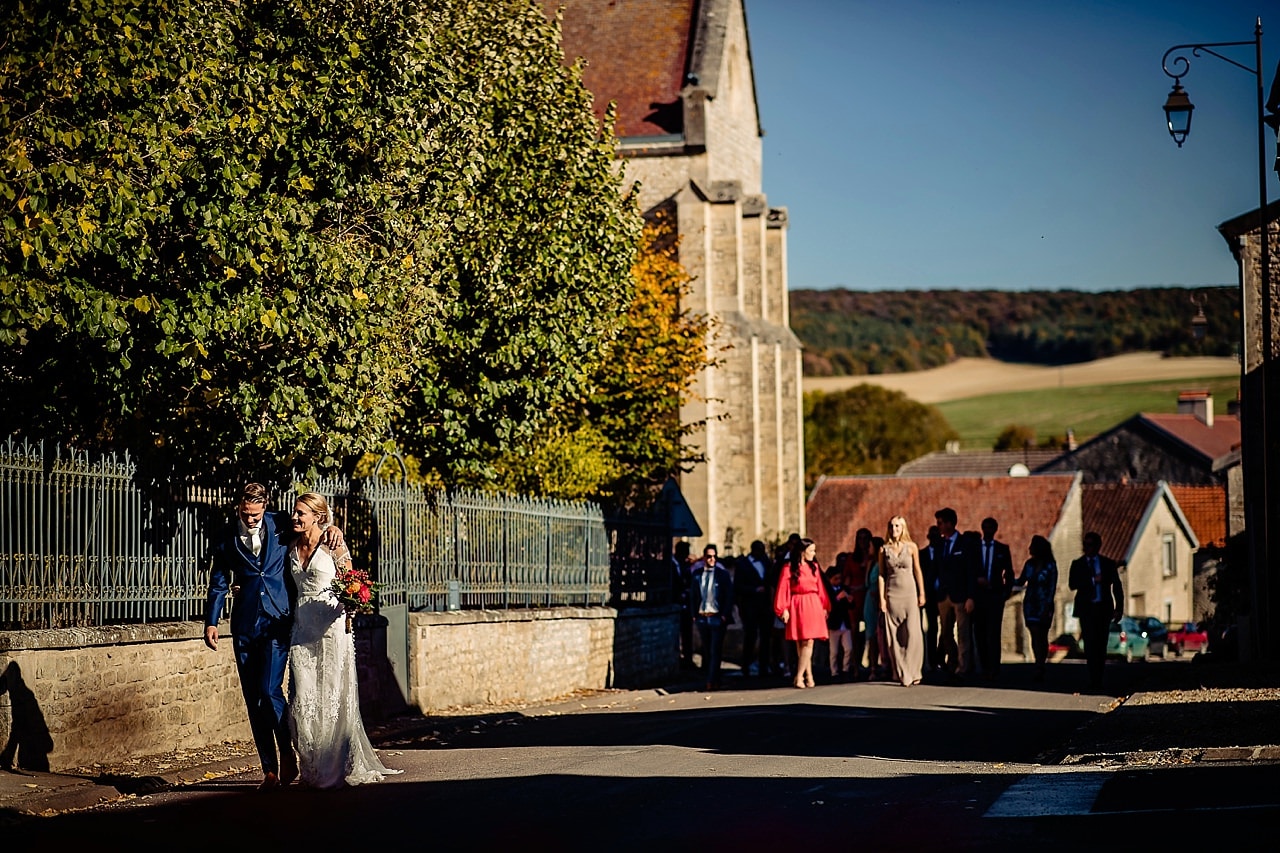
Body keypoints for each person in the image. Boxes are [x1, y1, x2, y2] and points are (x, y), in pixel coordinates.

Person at [204, 482, 343, 789]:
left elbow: (312, 524)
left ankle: (288, 755)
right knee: (253, 699)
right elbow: (218, 582)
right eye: (245, 513)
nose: (251, 519)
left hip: (278, 621)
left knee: (269, 691)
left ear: (265, 507)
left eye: (255, 514)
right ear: (238, 507)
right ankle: (269, 769)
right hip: (244, 624)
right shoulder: (225, 535)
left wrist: (336, 530)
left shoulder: (281, 521)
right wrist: (211, 623)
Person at [287, 492, 400, 788]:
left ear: (318, 517)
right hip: (302, 629)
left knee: (331, 694)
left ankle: (332, 766)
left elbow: (352, 582)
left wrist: (351, 600)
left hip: (331, 627)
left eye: (301, 513)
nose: (296, 517)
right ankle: (310, 766)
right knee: (303, 696)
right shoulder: (290, 543)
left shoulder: (333, 542)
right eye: (295, 512)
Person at [1068, 531, 1123, 690]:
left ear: (1098, 546)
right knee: (1090, 644)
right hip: (1087, 609)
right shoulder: (1078, 564)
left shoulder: (1107, 564)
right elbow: (1073, 584)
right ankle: (1093, 677)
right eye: (1085, 545)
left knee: (1101, 644)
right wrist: (1092, 580)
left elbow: (1117, 586)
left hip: (1102, 608)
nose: (1087, 548)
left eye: (1090, 545)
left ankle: (1098, 676)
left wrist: (1119, 608)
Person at [774, 537, 830, 689]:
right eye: (811, 550)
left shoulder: (815, 568)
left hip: (813, 604)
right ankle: (808, 674)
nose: (814, 553)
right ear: (802, 552)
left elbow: (821, 588)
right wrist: (783, 608)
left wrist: (825, 605)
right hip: (797, 603)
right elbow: (782, 588)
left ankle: (799, 676)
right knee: (800, 642)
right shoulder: (789, 567)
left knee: (809, 641)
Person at [878, 516, 926, 686]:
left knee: (913, 633)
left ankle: (914, 670)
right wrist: (882, 598)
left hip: (910, 593)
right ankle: (902, 671)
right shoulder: (884, 550)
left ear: (903, 527)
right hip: (892, 594)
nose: (894, 529)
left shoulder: (912, 547)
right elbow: (882, 575)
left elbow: (918, 571)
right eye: (891, 526)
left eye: (897, 526)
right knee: (894, 635)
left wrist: (922, 593)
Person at [933, 507, 978, 679]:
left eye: (941, 523)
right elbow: (935, 570)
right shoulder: (939, 544)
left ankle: (963, 666)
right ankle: (952, 661)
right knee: (945, 632)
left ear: (950, 523)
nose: (939, 526)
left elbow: (970, 572)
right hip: (943, 595)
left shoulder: (965, 544)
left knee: (963, 632)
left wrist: (970, 597)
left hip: (961, 596)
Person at [972, 516, 1015, 681]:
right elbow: (969, 570)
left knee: (993, 633)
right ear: (982, 529)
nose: (988, 531)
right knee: (980, 633)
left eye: (991, 528)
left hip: (995, 596)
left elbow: (1009, 573)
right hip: (979, 597)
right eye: (986, 528)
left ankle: (994, 668)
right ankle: (983, 666)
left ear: (995, 530)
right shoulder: (975, 548)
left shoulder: (1002, 549)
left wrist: (1006, 592)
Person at [689, 544, 734, 690]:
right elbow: (693, 596)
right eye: (709, 557)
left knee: (715, 650)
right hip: (702, 616)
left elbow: (729, 596)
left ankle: (710, 681)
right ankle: (715, 678)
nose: (712, 559)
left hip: (716, 617)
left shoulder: (722, 575)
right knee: (707, 650)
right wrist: (694, 615)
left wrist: (724, 615)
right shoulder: (697, 575)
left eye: (714, 556)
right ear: (704, 558)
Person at [1015, 535, 1058, 681]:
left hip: (1044, 603)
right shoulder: (1029, 565)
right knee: (1034, 633)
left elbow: (1052, 587)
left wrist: (1047, 605)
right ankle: (1037, 662)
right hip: (1031, 603)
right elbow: (1021, 581)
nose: (1029, 549)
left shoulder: (1050, 566)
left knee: (1042, 634)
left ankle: (1041, 662)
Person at [735, 540, 776, 677]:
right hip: (750, 606)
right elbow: (738, 586)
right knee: (750, 636)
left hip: (764, 606)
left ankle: (763, 666)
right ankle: (746, 665)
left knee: (765, 637)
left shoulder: (766, 563)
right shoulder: (743, 565)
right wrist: (753, 590)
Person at [918, 525, 943, 671]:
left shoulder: (945, 552)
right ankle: (932, 660)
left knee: (947, 628)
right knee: (932, 628)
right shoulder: (922, 555)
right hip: (929, 595)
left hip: (944, 593)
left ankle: (941, 655)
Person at [824, 566, 855, 680]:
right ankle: (834, 671)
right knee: (834, 651)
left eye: (839, 578)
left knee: (848, 648)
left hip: (844, 623)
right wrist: (837, 598)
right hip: (834, 624)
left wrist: (850, 600)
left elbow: (851, 606)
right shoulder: (827, 591)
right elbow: (829, 605)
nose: (838, 581)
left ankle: (845, 669)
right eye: (835, 579)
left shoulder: (844, 588)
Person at [862, 535, 887, 679]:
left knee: (881, 634)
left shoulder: (881, 564)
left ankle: (884, 664)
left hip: (878, 599)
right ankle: (873, 666)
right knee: (870, 634)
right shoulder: (871, 563)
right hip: (869, 601)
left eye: (871, 546)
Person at [672, 541, 695, 669]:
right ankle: (680, 658)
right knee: (678, 634)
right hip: (676, 603)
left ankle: (687, 659)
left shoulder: (686, 566)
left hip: (686, 605)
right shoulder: (671, 564)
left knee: (687, 633)